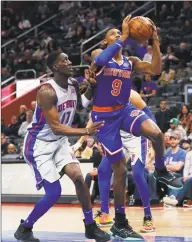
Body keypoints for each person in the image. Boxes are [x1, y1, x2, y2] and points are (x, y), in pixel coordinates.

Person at [89, 15, 182, 240]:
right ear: (105, 41)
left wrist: (155, 42)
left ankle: (160, 170)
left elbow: (155, 68)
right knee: (119, 169)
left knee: (157, 134)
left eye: (119, 33)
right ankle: (119, 221)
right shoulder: (98, 55)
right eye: (113, 34)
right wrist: (125, 37)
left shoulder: (129, 61)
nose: (118, 34)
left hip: (123, 110)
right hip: (105, 118)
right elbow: (100, 59)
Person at [14, 51, 110, 242]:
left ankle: (90, 226)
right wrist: (86, 131)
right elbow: (56, 128)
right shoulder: (47, 92)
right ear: (55, 67)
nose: (69, 62)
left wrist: (90, 87)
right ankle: (25, 228)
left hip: (59, 143)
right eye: (64, 60)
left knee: (78, 178)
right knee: (54, 193)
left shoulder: (73, 84)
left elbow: (81, 106)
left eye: (68, 58)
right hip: (39, 146)